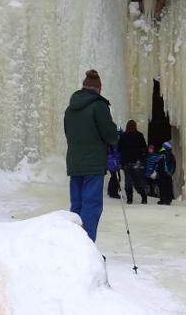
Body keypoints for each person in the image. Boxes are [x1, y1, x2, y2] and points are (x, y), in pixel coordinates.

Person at [63, 69, 118, 242]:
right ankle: (87, 249)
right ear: (98, 89)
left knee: (77, 206)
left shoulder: (70, 108)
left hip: (75, 164)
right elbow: (110, 135)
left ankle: (74, 246)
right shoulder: (98, 105)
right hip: (93, 164)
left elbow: (68, 133)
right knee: (91, 206)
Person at [118, 120, 148, 204]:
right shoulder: (139, 135)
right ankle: (144, 197)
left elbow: (119, 149)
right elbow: (145, 148)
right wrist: (142, 157)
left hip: (126, 163)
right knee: (138, 180)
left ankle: (129, 199)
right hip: (137, 162)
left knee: (128, 181)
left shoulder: (123, 136)